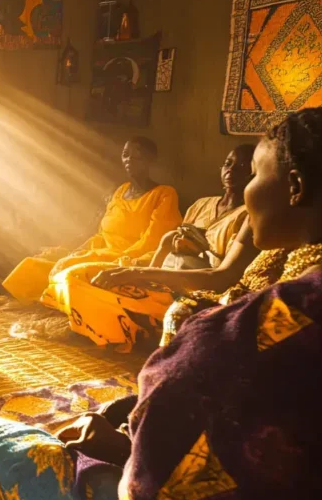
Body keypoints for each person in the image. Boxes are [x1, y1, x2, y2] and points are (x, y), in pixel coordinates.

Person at [0, 107, 322, 500]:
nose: (244, 187)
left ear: (295, 187)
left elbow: (153, 489)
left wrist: (122, 449)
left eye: (254, 173)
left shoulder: (241, 336)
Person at [49, 145, 254, 351]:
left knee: (104, 290)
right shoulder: (202, 204)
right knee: (75, 276)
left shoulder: (248, 215)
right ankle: (119, 325)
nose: (232, 170)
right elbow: (168, 245)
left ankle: (131, 330)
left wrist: (142, 271)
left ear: (255, 171)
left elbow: (220, 275)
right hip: (162, 273)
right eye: (228, 164)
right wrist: (146, 275)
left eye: (243, 166)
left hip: (186, 287)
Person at [3, 137, 182, 304]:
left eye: (138, 157)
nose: (129, 160)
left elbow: (154, 239)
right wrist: (80, 250)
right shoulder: (121, 191)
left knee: (67, 267)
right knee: (33, 264)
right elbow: (103, 233)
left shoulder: (164, 193)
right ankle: (19, 294)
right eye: (126, 155)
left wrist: (124, 260)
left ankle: (48, 299)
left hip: (129, 257)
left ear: (151, 160)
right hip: (102, 250)